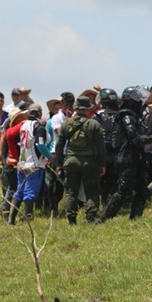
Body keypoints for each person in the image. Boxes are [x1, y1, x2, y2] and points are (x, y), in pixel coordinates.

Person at [100, 86, 152, 221]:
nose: (140, 102)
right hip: (127, 159)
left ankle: (135, 218)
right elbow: (135, 139)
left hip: (136, 158)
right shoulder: (127, 117)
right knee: (122, 191)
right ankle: (103, 218)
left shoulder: (134, 116)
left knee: (142, 191)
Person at [55, 96, 106, 225]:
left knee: (72, 192)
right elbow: (101, 147)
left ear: (76, 109)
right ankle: (91, 217)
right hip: (89, 162)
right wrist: (102, 164)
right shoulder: (94, 124)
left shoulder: (67, 123)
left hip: (71, 161)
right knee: (91, 191)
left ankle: (71, 220)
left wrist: (59, 164)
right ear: (88, 109)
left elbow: (59, 146)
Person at [10, 103, 51, 223]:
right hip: (34, 164)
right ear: (39, 114)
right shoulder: (38, 127)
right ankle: (28, 219)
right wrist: (50, 156)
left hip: (22, 163)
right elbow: (40, 145)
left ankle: (11, 218)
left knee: (20, 191)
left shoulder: (23, 126)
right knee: (30, 192)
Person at [95, 89, 120, 204]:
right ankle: (110, 203)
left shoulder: (98, 116)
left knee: (101, 181)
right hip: (118, 152)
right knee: (114, 181)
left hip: (101, 153)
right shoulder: (122, 114)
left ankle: (104, 203)